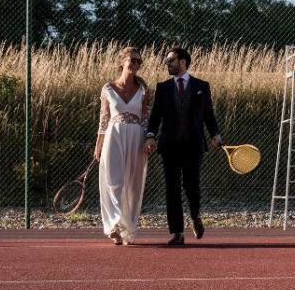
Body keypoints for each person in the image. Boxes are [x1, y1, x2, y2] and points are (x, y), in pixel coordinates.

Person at [144, 47, 221, 245]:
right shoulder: (163, 88)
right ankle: (177, 232)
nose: (167, 63)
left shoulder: (201, 86)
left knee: (191, 186)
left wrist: (215, 134)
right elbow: (155, 117)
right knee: (172, 189)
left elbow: (208, 113)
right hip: (169, 146)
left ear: (183, 62)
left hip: (193, 145)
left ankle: (195, 216)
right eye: (166, 60)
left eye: (170, 59)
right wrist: (150, 135)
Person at [94, 46, 150, 245]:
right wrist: (98, 146)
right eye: (132, 60)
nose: (135, 64)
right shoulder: (108, 88)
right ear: (121, 62)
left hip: (136, 137)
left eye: (139, 61)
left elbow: (146, 120)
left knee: (133, 185)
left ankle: (128, 229)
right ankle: (115, 225)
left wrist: (148, 140)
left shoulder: (144, 89)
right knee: (114, 181)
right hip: (113, 136)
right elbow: (104, 119)